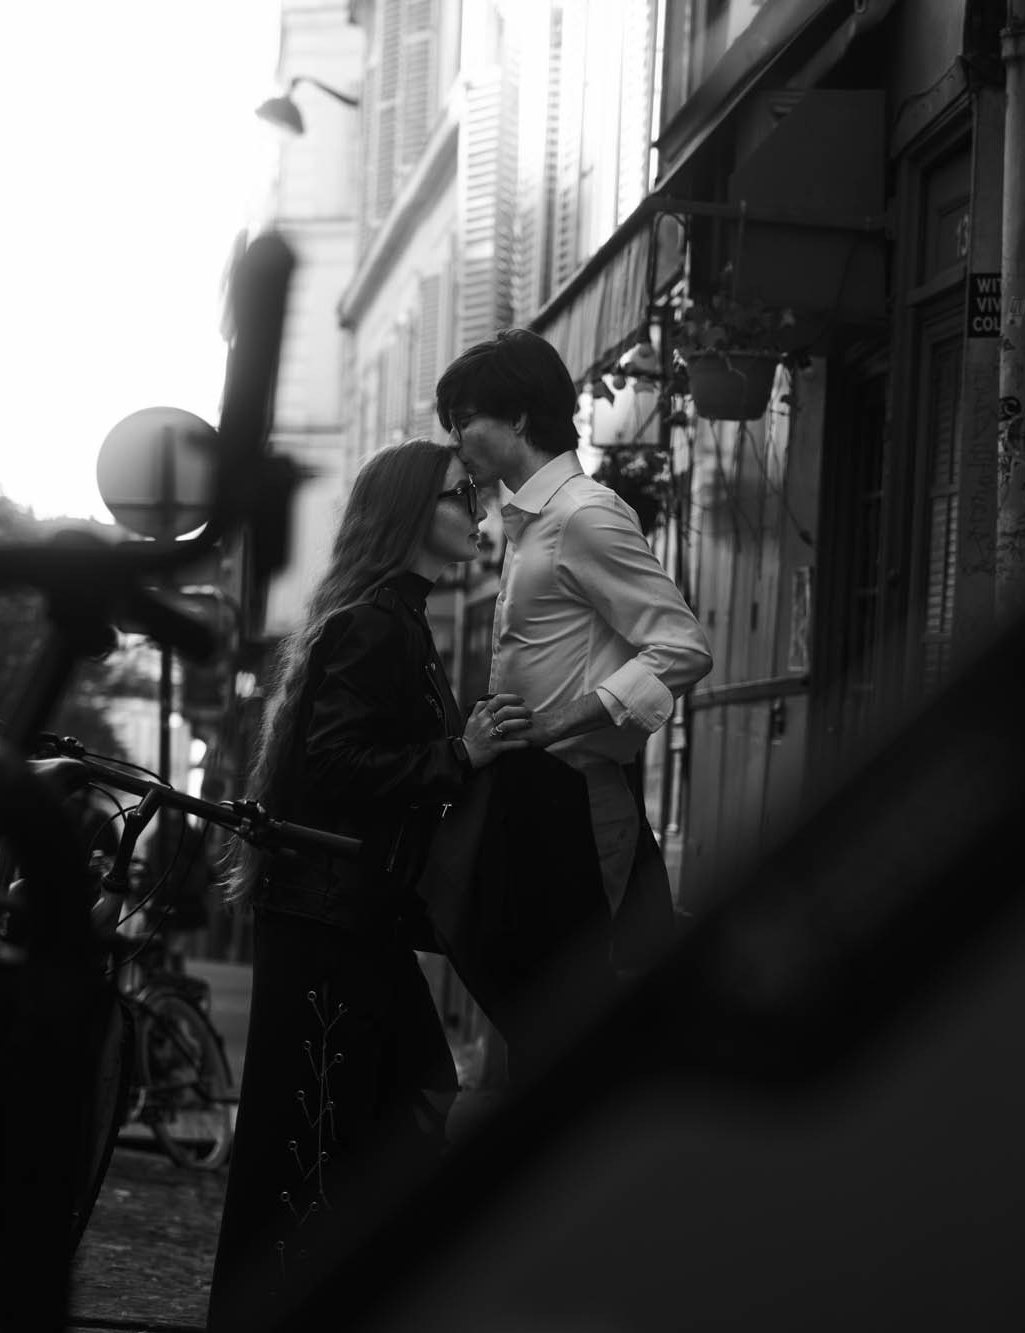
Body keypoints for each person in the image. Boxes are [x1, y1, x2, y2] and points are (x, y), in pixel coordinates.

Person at [206, 438, 532, 1330]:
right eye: (461, 496)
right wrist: (458, 753)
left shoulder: (395, 616)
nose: (479, 511)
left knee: (386, 1108)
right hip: (331, 918)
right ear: (411, 513)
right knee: (317, 1131)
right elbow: (337, 759)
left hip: (355, 917)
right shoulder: (377, 622)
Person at [436, 329, 713, 974]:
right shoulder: (533, 521)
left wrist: (563, 721)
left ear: (519, 418)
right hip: (536, 794)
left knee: (569, 996)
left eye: (463, 420)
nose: (456, 440)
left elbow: (682, 647)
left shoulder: (584, 515)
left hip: (577, 794)